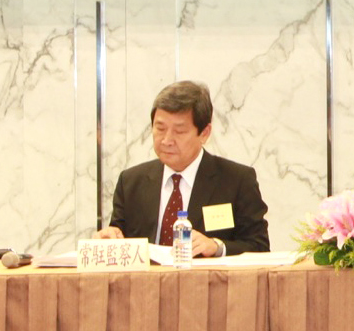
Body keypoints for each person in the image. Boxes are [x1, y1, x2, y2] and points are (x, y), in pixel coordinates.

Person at [99, 80, 269, 255]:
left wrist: (217, 247)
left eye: (179, 131)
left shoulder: (236, 181)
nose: (166, 140)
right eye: (160, 128)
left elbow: (259, 246)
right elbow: (118, 239)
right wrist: (109, 239)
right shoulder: (130, 182)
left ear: (204, 133)